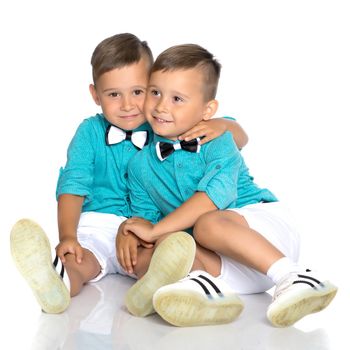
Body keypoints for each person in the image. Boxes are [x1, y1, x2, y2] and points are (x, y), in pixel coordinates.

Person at [9, 33, 248, 314]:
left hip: (146, 227)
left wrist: (220, 123)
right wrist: (68, 237)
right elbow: (72, 185)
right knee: (79, 260)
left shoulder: (164, 122)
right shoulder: (89, 132)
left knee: (156, 260)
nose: (127, 105)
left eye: (138, 92)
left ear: (154, 88)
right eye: (113, 94)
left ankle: (154, 289)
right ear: (95, 95)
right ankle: (55, 283)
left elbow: (238, 138)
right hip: (98, 223)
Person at [120, 43, 338, 327]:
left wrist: (156, 229)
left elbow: (212, 199)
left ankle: (295, 276)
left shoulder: (218, 139)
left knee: (206, 224)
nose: (161, 106)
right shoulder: (139, 166)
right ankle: (203, 289)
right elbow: (147, 219)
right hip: (230, 268)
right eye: (155, 92)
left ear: (207, 109)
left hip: (263, 237)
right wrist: (131, 232)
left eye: (177, 99)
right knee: (164, 246)